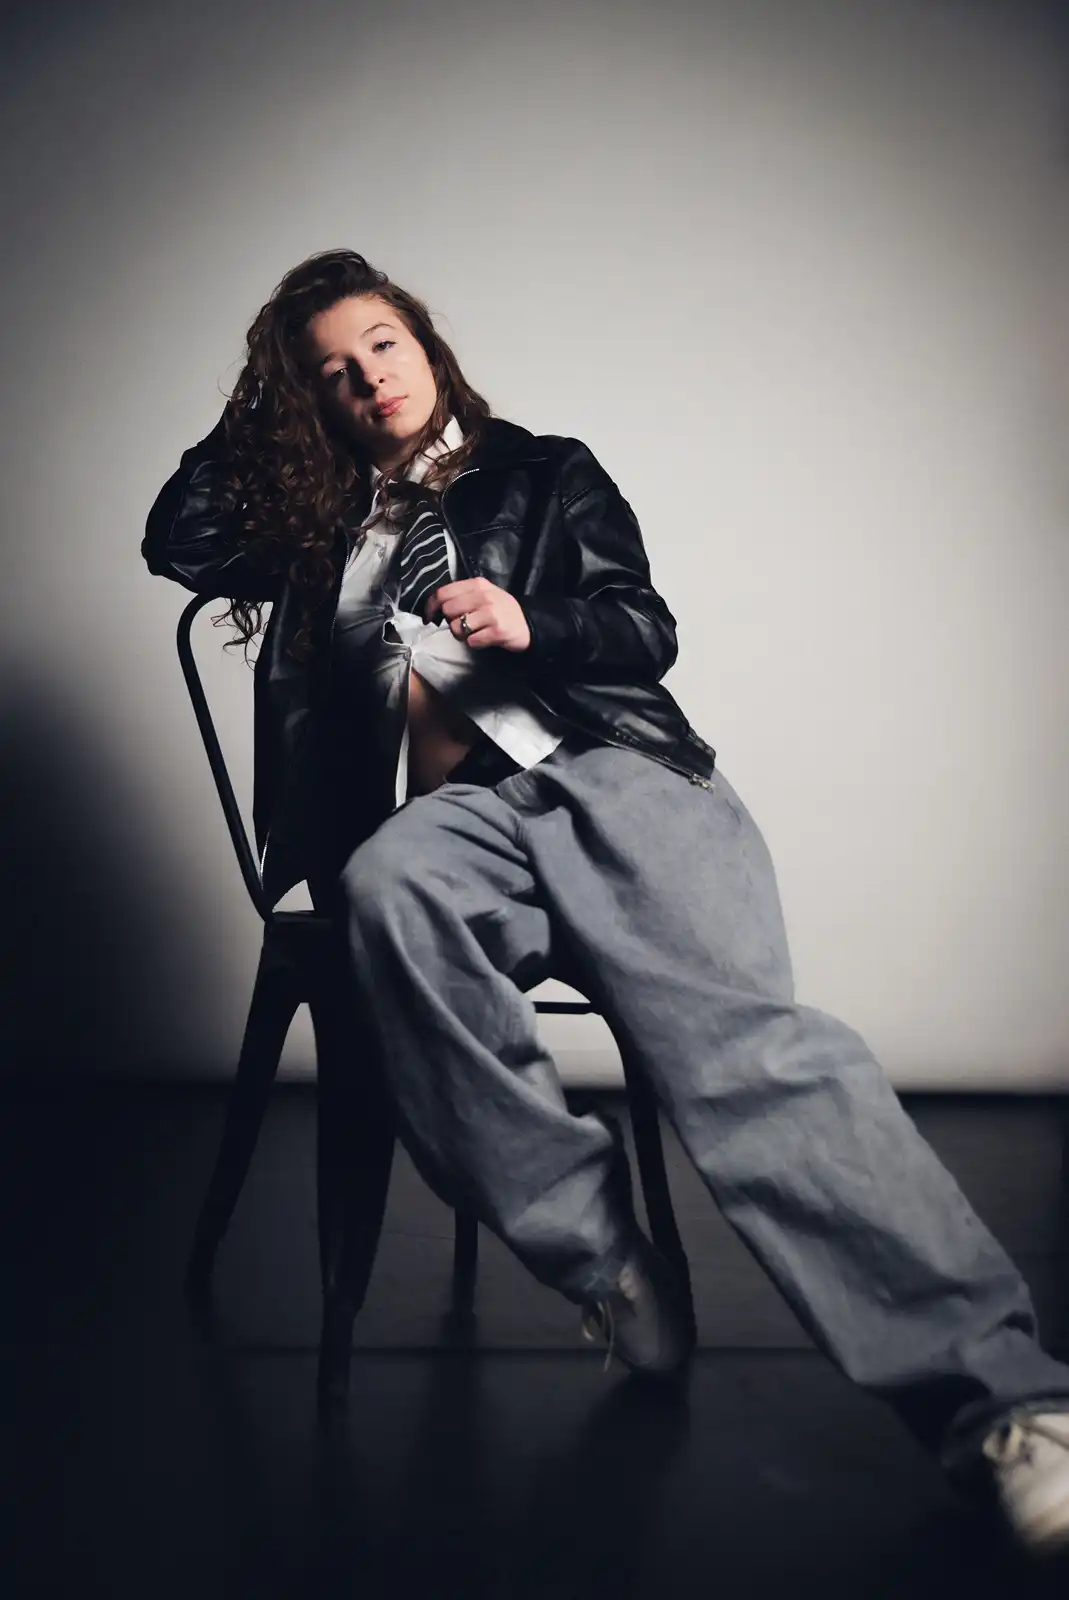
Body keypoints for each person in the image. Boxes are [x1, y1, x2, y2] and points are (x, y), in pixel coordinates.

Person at [143, 247, 1069, 1556]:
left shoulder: (544, 471)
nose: (368, 381)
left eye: (382, 346)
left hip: (607, 774)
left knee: (743, 1064)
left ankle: (1009, 1407)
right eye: (332, 373)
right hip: (454, 824)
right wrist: (266, 385)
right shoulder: (314, 525)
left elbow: (644, 627)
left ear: (429, 346)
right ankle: (609, 1259)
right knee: (387, 893)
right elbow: (175, 539)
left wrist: (534, 622)